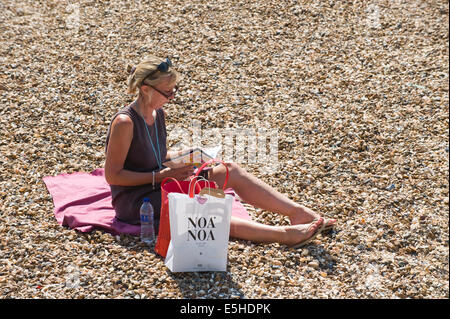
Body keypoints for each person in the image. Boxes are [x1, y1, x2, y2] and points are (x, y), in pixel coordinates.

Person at [104, 56, 336, 248]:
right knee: (203, 205)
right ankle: (285, 234)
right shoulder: (125, 122)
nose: (172, 97)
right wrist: (161, 177)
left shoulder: (157, 114)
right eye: (167, 92)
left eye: (174, 90)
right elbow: (113, 175)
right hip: (137, 201)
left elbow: (156, 155)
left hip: (162, 183)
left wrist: (188, 155)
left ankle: (298, 212)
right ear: (145, 89)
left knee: (230, 171)